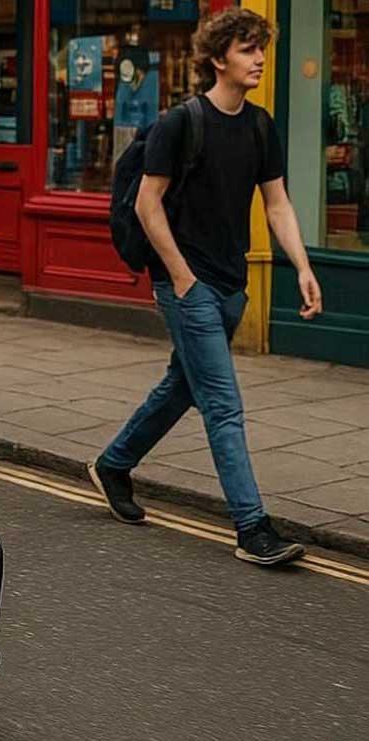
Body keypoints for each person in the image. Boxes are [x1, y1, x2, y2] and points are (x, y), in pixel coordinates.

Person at [91, 8, 325, 567]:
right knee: (222, 402)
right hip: (187, 284)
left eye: (261, 48)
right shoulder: (181, 123)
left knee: (183, 386)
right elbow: (147, 204)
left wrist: (302, 266)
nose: (260, 59)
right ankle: (252, 528)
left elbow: (277, 203)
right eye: (248, 49)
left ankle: (113, 465)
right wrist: (182, 277)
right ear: (219, 58)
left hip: (231, 285)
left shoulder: (260, 125)